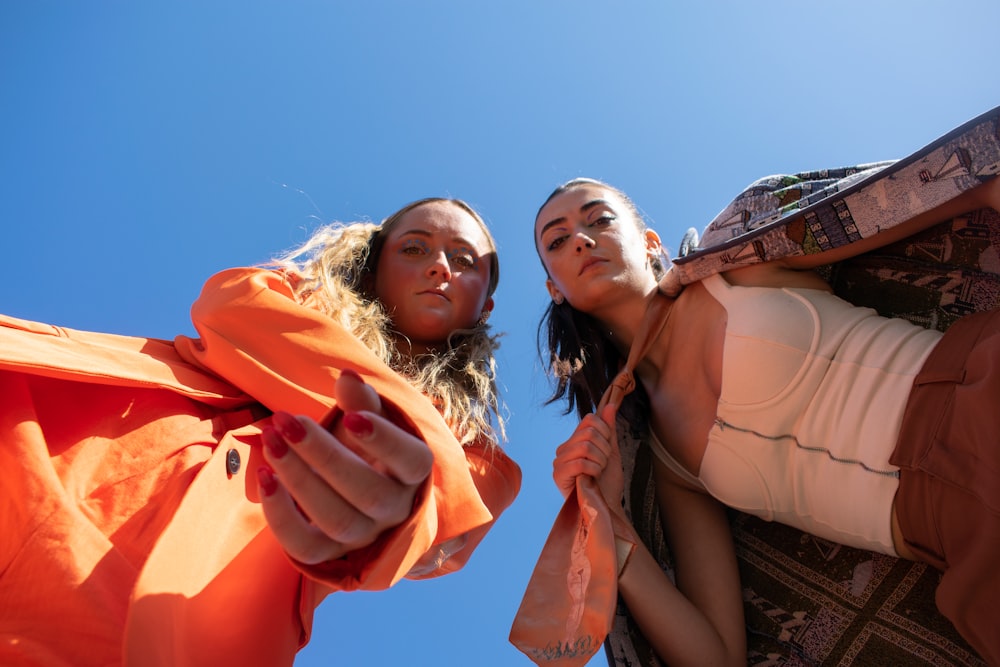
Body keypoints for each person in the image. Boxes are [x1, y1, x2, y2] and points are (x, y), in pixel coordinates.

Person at [0, 197, 521, 666]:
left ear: (486, 305)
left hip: (184, 607)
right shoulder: (281, 292)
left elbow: (441, 526)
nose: (438, 266)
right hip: (44, 444)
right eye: (414, 247)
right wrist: (412, 434)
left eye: (464, 260)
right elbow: (230, 311)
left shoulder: (479, 460)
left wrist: (391, 516)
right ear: (373, 262)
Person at [518, 168, 1000, 667]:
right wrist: (610, 524)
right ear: (554, 288)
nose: (580, 238)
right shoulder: (666, 461)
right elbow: (717, 657)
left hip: (978, 392)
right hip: (960, 542)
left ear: (648, 241)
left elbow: (964, 180)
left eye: (599, 219)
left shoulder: (740, 259)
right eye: (557, 241)